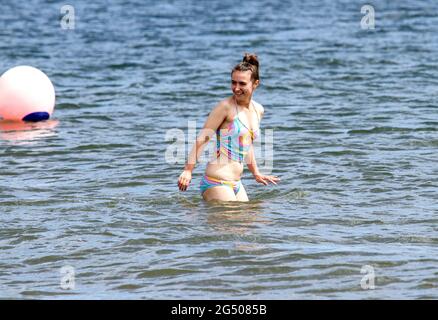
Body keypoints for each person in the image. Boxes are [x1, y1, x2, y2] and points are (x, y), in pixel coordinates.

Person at [178, 53, 280, 201]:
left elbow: (246, 145)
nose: (236, 88)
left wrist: (256, 173)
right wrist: (188, 170)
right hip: (216, 182)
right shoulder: (224, 107)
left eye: (242, 83)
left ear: (255, 83)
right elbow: (202, 139)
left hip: (237, 183)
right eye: (233, 82)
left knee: (252, 222)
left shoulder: (258, 110)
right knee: (233, 221)